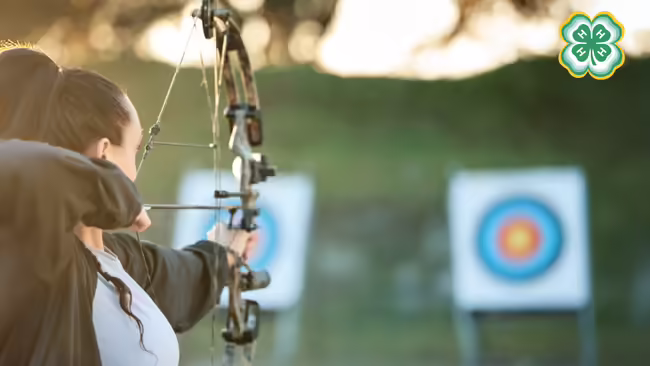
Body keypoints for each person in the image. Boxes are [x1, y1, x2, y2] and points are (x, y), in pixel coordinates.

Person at [0, 45, 258, 366]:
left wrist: (225, 251)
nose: (134, 172)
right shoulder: (34, 253)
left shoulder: (115, 259)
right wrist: (112, 190)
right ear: (104, 153)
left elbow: (178, 277)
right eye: (134, 149)